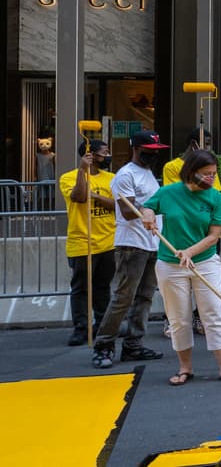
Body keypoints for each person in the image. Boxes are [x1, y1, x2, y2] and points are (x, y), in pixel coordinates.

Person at [139, 151, 221, 385]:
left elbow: (214, 236)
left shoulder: (216, 198)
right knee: (179, 318)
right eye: (206, 174)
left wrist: (190, 252)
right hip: (170, 263)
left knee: (213, 313)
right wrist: (147, 214)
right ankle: (185, 368)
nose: (211, 179)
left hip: (205, 262)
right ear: (191, 172)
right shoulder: (168, 192)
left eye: (213, 174)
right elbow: (147, 207)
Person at [91, 131, 170, 369]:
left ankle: (134, 345)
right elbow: (126, 209)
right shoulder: (125, 175)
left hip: (152, 243)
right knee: (123, 298)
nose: (154, 154)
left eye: (157, 150)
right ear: (135, 148)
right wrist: (147, 209)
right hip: (132, 244)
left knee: (145, 297)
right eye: (150, 150)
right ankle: (103, 345)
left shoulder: (148, 174)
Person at [61, 139, 116, 346]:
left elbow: (117, 204)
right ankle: (81, 328)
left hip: (107, 242)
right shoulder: (68, 178)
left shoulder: (111, 178)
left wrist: (97, 196)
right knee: (81, 288)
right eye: (105, 152)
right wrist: (83, 172)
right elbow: (79, 197)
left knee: (102, 288)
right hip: (82, 242)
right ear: (90, 155)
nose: (108, 155)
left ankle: (102, 324)